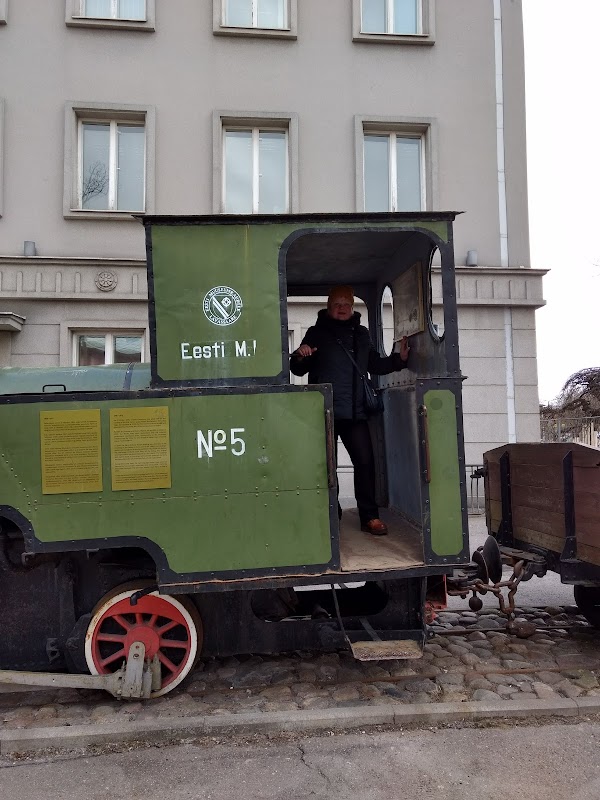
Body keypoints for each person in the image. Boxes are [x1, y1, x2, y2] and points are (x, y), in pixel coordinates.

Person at [290, 285, 410, 536]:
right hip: (324, 413)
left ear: (353, 307)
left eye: (346, 303)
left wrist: (399, 359)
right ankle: (331, 514)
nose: (342, 308)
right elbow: (298, 368)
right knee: (326, 467)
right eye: (337, 304)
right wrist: (301, 355)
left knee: (365, 462)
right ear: (328, 307)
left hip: (355, 412)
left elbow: (374, 364)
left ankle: (369, 516)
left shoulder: (362, 334)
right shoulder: (316, 333)